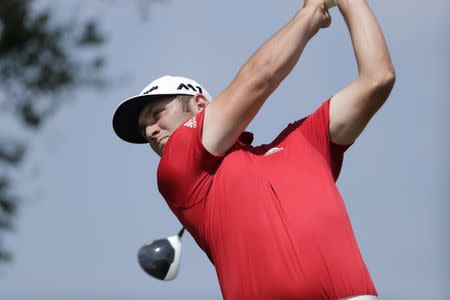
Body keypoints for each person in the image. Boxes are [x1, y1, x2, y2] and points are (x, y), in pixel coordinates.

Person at [112, 0, 395, 299]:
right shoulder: (177, 171)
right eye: (144, 128)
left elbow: (378, 78)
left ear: (199, 105)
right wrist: (312, 11)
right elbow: (259, 79)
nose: (150, 131)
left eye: (156, 114)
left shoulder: (306, 142)